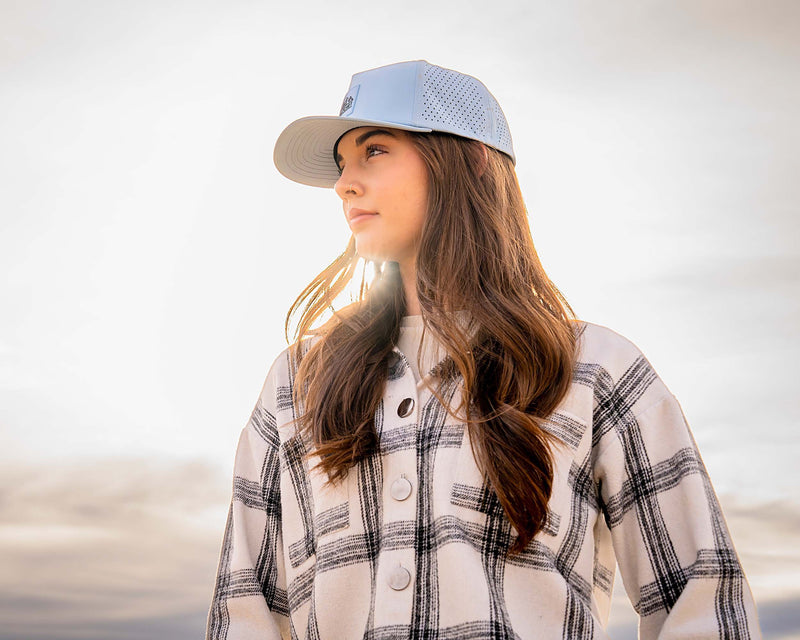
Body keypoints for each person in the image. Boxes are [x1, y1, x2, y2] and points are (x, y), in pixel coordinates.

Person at [207, 60, 761, 639]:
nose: (345, 182)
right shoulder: (298, 380)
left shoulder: (595, 370)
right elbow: (245, 611)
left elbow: (703, 602)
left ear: (465, 160)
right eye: (344, 163)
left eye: (375, 150)